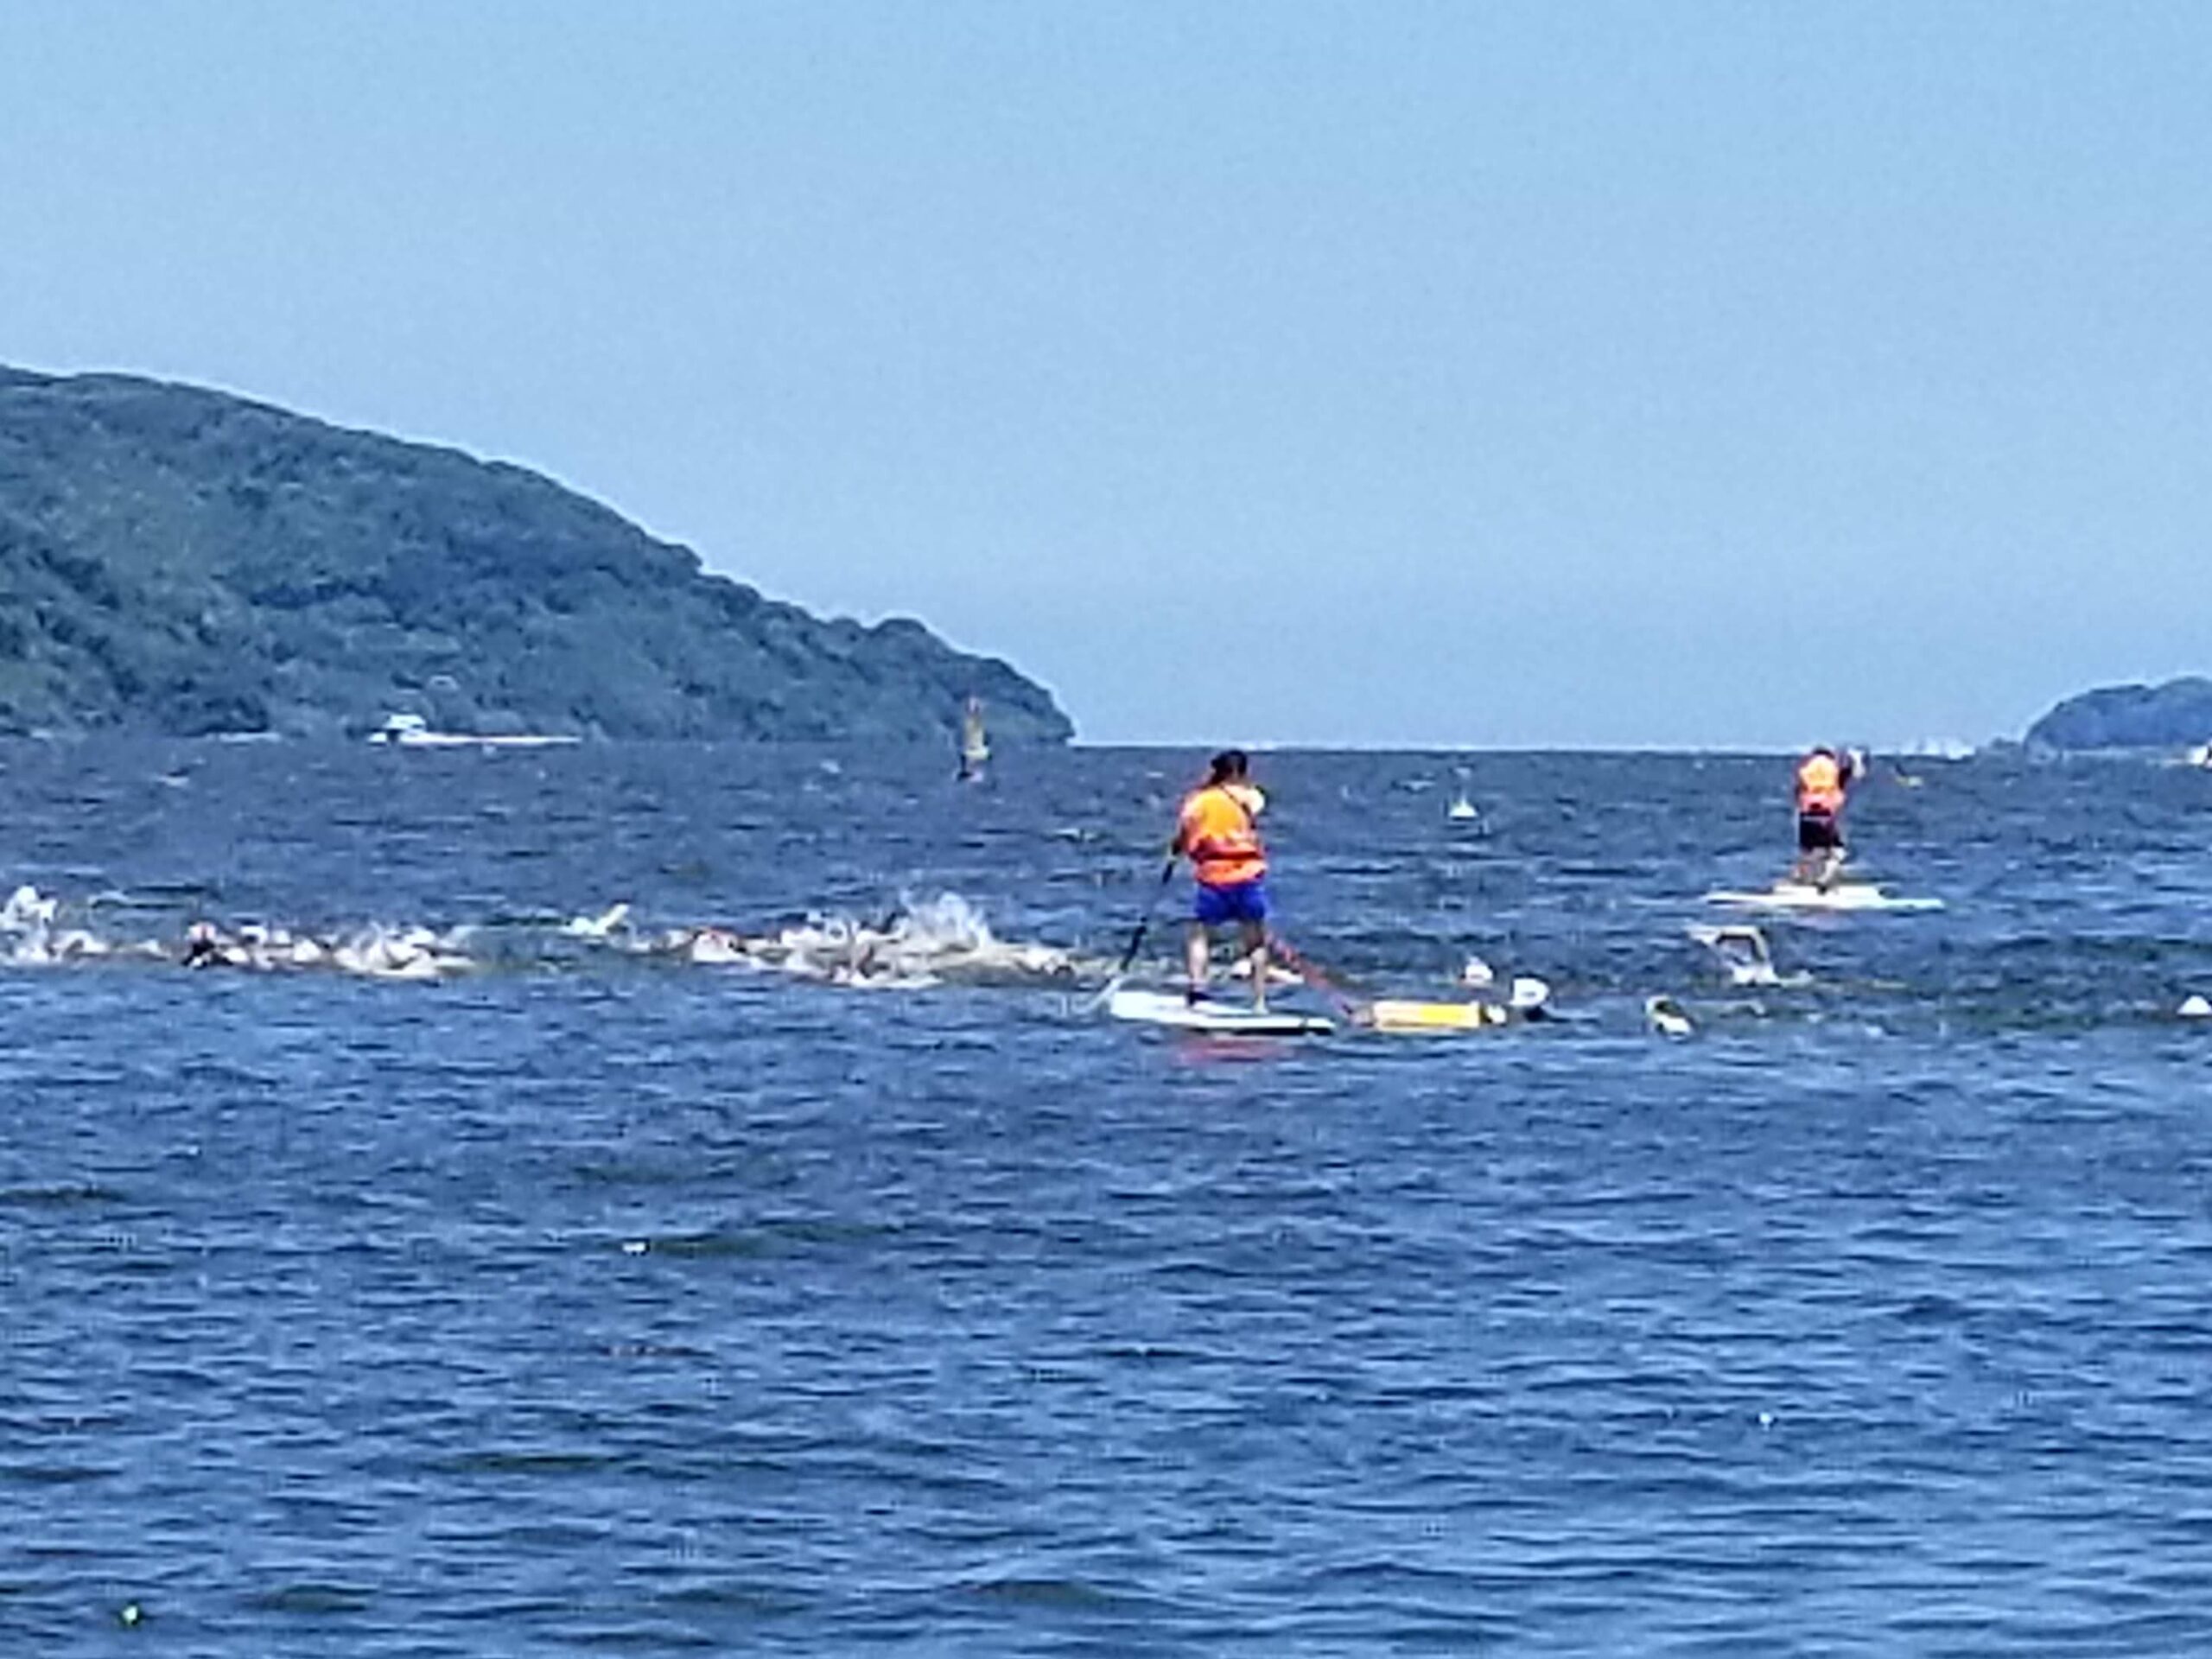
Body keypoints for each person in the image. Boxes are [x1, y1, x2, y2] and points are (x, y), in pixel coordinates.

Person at [1173, 749, 1271, 1008]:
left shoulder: (1200, 800)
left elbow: (1186, 828)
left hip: (1214, 876)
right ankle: (1259, 1000)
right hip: (1248, 874)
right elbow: (1257, 803)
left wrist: (1177, 848)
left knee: (1200, 934)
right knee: (1255, 939)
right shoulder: (1250, 797)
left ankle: (1198, 990)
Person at [1792, 746, 1861, 886]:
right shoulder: (1834, 772)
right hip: (1825, 817)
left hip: (1805, 817)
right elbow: (1855, 774)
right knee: (1837, 852)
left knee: (1809, 852)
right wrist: (1856, 759)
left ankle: (1800, 877)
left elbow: (1797, 794)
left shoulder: (1805, 773)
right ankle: (1823, 881)